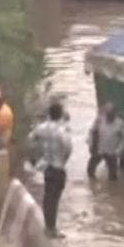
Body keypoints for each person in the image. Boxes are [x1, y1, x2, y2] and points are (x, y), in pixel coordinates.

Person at [32, 101, 72, 237]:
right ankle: (52, 229)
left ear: (49, 114)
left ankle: (48, 226)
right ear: (60, 114)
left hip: (47, 167)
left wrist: (37, 157)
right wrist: (63, 161)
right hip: (58, 168)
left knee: (48, 198)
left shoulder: (41, 128)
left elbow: (31, 139)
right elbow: (68, 148)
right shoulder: (62, 131)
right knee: (54, 200)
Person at [88, 101, 124, 180]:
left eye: (111, 113)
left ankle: (113, 186)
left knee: (113, 176)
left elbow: (123, 138)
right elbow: (92, 132)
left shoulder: (120, 123)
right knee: (90, 171)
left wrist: (118, 151)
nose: (109, 115)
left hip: (112, 152)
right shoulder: (99, 120)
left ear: (115, 113)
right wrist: (91, 145)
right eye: (107, 113)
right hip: (99, 150)